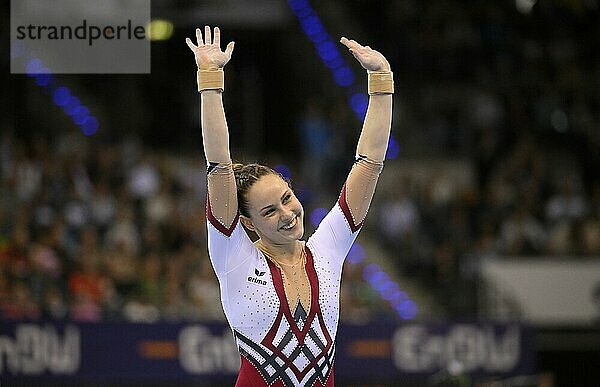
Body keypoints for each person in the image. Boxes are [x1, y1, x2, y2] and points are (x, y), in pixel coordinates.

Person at [186, 26, 393, 387]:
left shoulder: (326, 249)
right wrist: (210, 80)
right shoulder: (234, 257)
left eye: (286, 198)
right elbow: (218, 164)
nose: (287, 214)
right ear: (247, 224)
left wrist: (381, 80)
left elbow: (369, 162)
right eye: (268, 211)